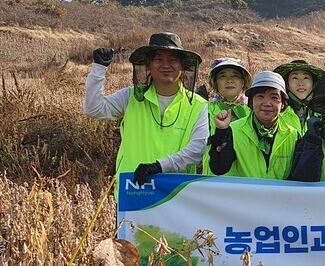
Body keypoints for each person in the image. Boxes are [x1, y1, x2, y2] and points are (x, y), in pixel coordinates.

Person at [83, 32, 208, 189]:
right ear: (148, 65)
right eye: (158, 59)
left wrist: (159, 166)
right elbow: (93, 109)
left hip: (175, 194)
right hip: (133, 189)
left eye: (173, 60)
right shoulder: (131, 97)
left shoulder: (198, 105)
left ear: (182, 66)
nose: (166, 65)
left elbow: (197, 149)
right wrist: (98, 70)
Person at [207, 71, 299, 179]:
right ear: (251, 102)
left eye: (274, 97)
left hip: (279, 196)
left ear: (283, 104)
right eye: (260, 96)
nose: (267, 103)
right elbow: (218, 168)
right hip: (243, 195)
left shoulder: (293, 136)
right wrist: (221, 132)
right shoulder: (233, 130)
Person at [201, 57, 252, 174]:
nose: (229, 80)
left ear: (243, 82)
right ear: (215, 83)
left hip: (246, 180)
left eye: (235, 76)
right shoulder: (204, 110)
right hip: (214, 181)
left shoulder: (253, 110)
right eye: (222, 76)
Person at [273, 59, 325, 134]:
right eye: (295, 78)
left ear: (314, 84)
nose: (301, 83)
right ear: (286, 84)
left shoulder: (324, 116)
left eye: (306, 78)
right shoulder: (276, 113)